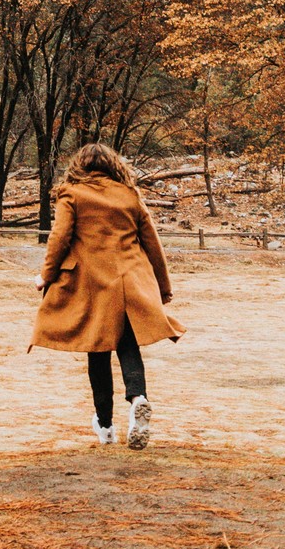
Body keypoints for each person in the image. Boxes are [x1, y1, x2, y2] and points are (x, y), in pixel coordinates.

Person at [30, 142, 182, 448]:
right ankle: (138, 397)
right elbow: (153, 243)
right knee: (128, 346)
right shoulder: (129, 195)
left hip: (92, 284)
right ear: (114, 165)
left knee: (97, 352)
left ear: (79, 166)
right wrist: (164, 287)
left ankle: (106, 426)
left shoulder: (72, 194)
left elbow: (59, 239)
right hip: (129, 282)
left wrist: (45, 276)